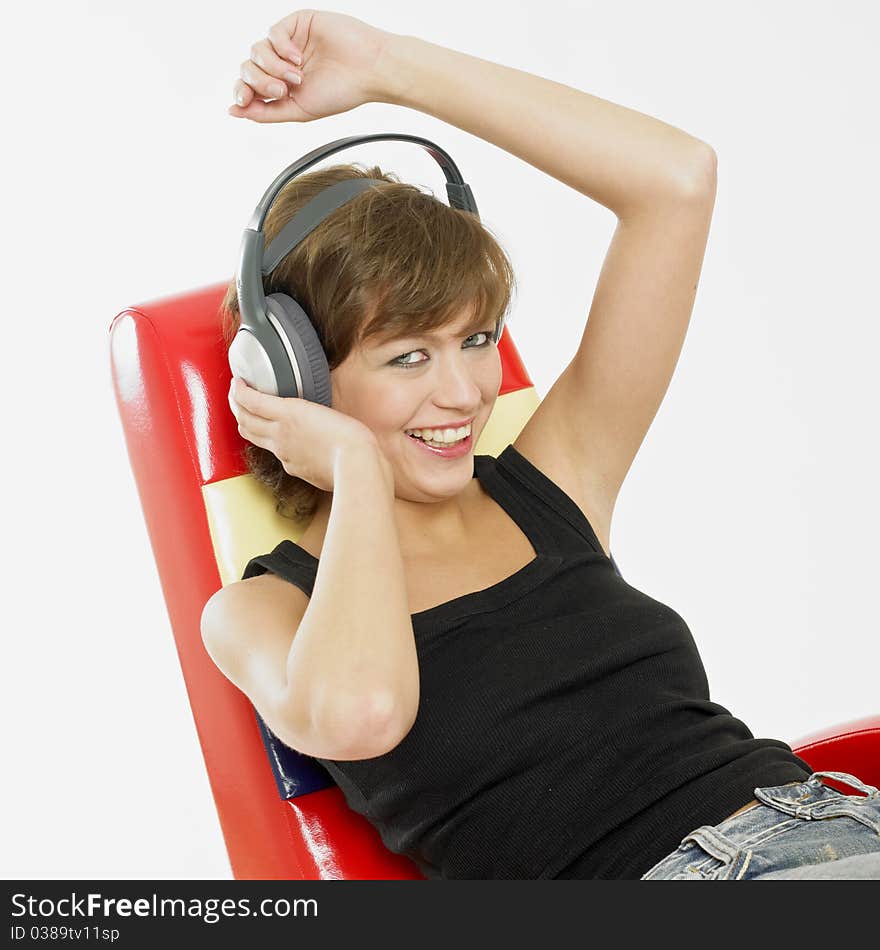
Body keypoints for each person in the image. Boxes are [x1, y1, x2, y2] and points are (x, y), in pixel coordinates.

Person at [201, 9, 880, 880]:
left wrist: (383, 65)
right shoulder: (260, 613)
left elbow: (675, 180)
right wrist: (358, 476)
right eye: (409, 355)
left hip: (835, 823)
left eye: (477, 340)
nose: (466, 393)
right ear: (300, 377)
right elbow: (364, 714)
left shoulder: (551, 484)